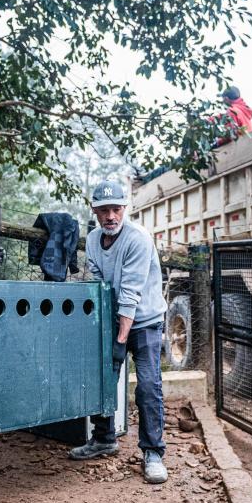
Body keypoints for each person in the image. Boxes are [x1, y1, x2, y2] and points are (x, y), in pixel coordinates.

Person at [68, 180, 170, 484]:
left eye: (116, 209)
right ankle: (103, 438)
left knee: (148, 385)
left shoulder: (137, 239)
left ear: (124, 209)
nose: (111, 215)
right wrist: (107, 332)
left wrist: (120, 340)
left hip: (146, 319)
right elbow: (101, 287)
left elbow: (130, 293)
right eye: (104, 210)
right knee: (101, 378)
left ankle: (153, 452)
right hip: (115, 319)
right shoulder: (93, 240)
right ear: (95, 211)